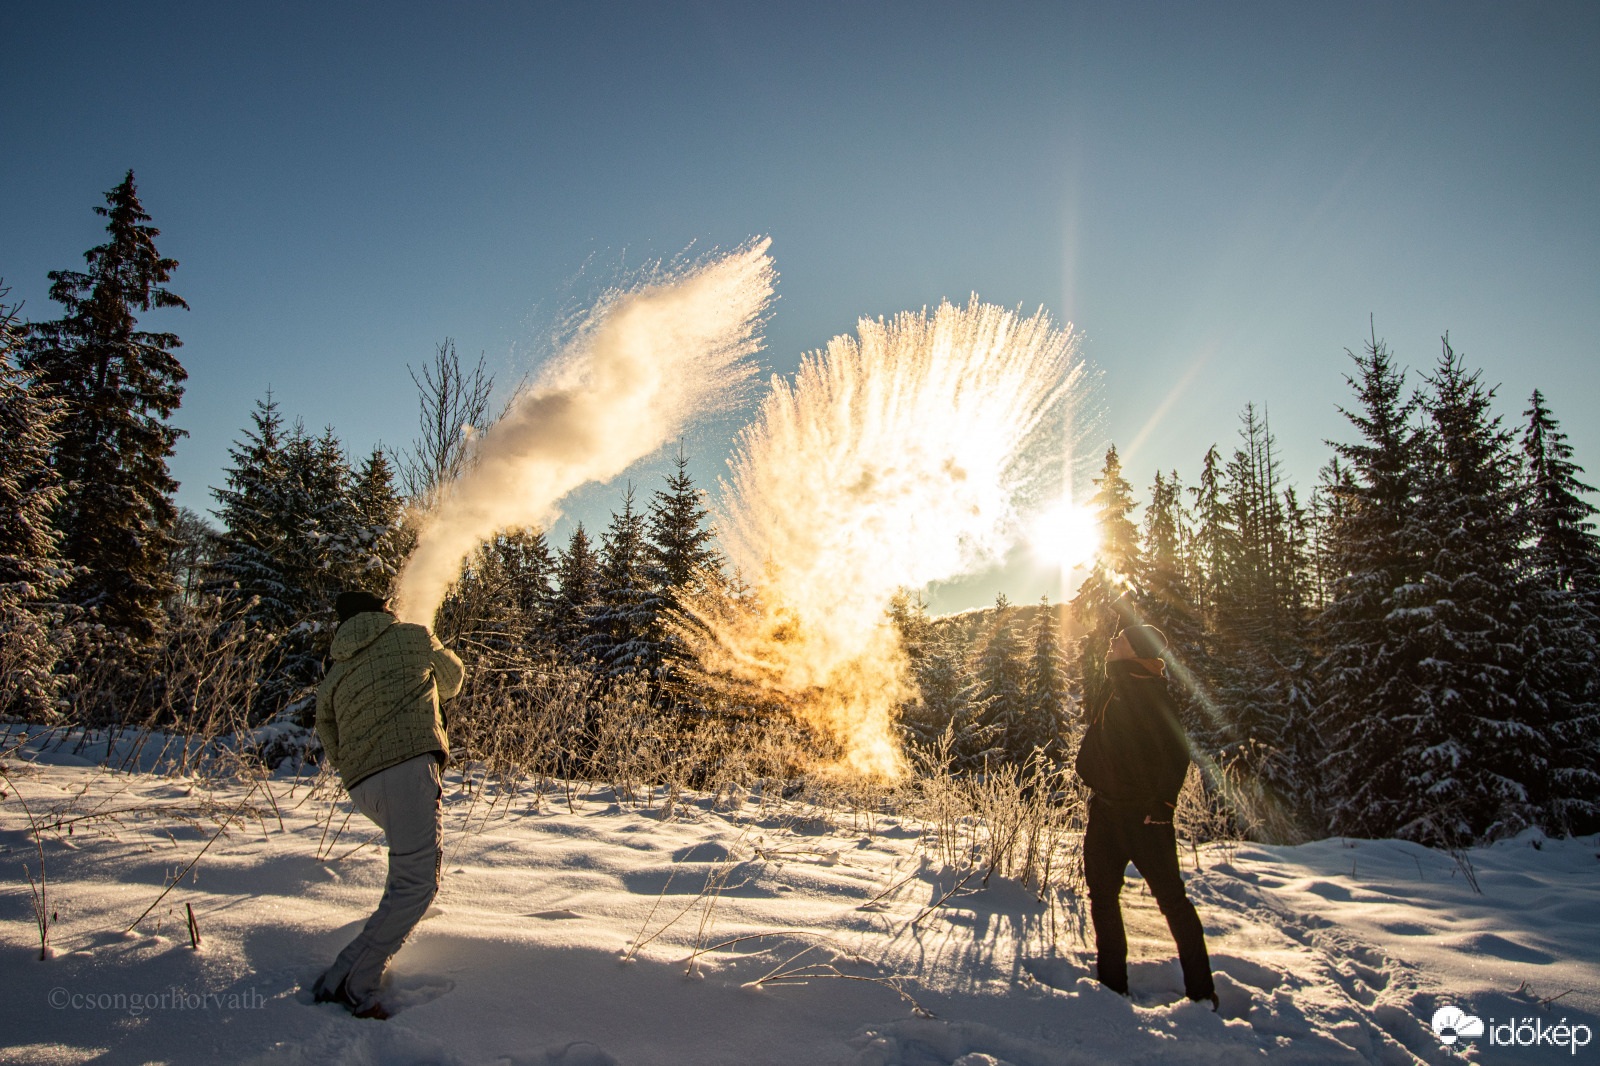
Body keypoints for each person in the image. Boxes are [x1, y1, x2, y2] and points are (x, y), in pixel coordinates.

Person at [311, 589, 464, 1020]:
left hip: (363, 787)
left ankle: (352, 975)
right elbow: (452, 680)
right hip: (408, 772)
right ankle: (349, 982)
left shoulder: (335, 670)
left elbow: (328, 732)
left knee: (409, 875)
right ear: (384, 611)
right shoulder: (413, 635)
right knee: (416, 884)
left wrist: (354, 765)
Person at [1074, 622, 1217, 1009]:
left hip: (1144, 820)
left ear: (1134, 651)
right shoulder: (1115, 685)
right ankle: (1112, 988)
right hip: (1104, 812)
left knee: (1172, 901)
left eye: (1118, 640)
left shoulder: (1153, 695)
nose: (1111, 641)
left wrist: (1163, 806)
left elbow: (1177, 753)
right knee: (1102, 898)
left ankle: (1203, 995)